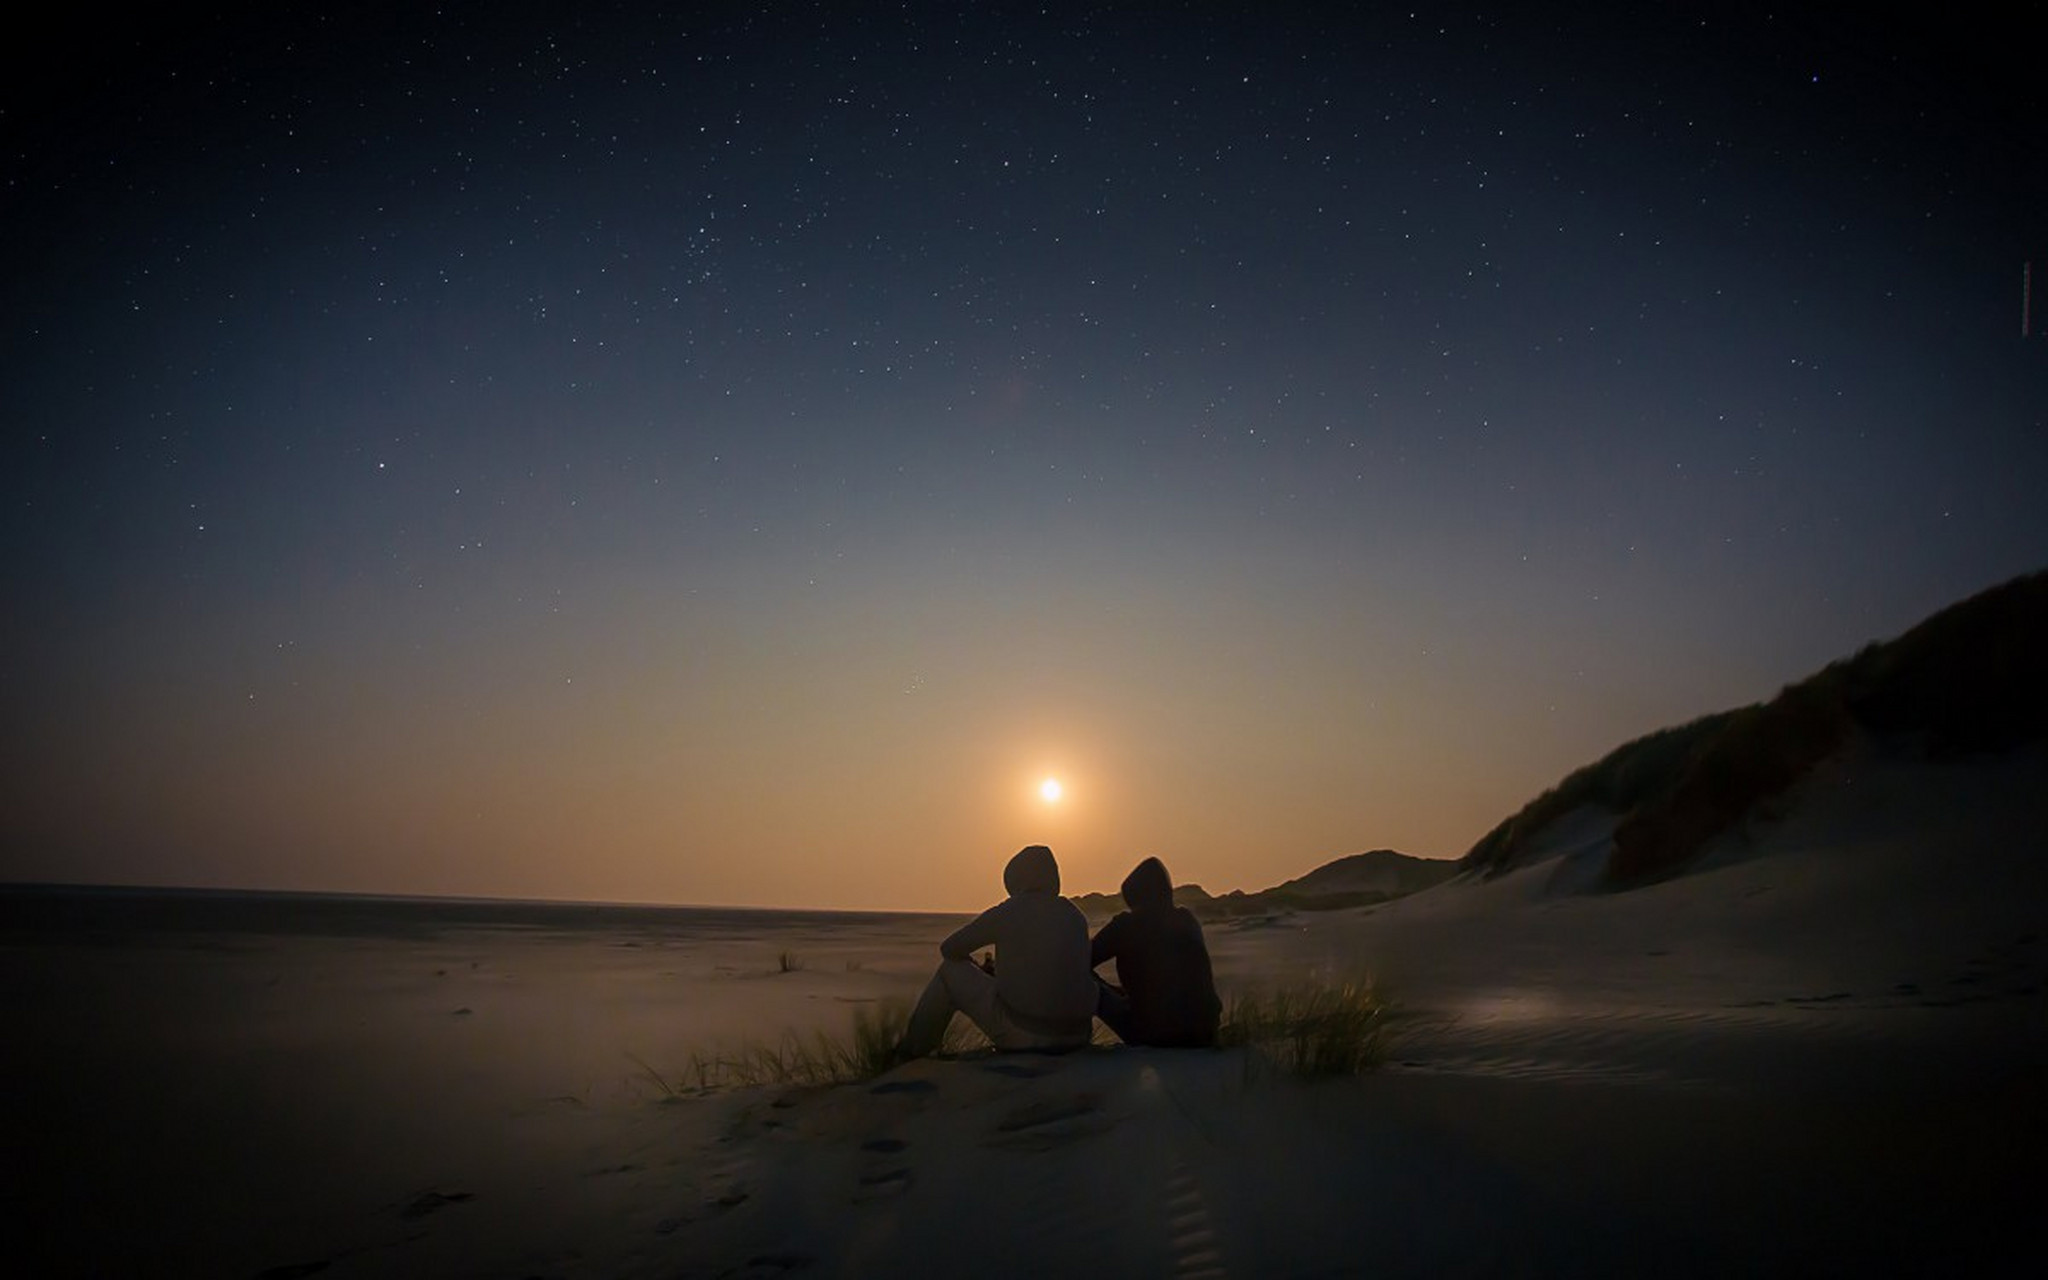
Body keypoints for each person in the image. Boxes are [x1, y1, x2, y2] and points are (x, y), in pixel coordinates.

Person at [896, 844, 1097, 1058]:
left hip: (1026, 1035)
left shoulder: (1010, 911)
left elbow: (950, 948)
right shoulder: (1075, 916)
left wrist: (977, 969)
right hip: (1078, 1037)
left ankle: (912, 1053)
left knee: (950, 971)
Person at [1090, 856, 1221, 1047]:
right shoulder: (1186, 919)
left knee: (1082, 978)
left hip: (1152, 1033)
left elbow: (1081, 959)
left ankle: (1066, 1038)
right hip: (1204, 1033)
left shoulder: (1126, 925)